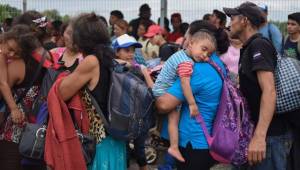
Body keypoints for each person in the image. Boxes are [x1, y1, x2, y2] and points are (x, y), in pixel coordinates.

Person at [224, 2, 292, 170]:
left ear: (244, 21)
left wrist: (260, 136)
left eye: (232, 18)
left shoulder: (258, 45)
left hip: (270, 137)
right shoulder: (248, 47)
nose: (229, 23)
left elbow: (269, 91)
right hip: (258, 134)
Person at [58, 13, 126, 170]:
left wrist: (61, 75)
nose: (69, 36)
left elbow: (62, 92)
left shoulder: (91, 61)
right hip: (113, 139)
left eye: (73, 32)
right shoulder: (107, 56)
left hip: (98, 142)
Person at [152, 30, 217, 162]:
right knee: (173, 120)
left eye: (209, 54)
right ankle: (174, 147)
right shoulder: (186, 63)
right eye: (203, 49)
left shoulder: (181, 55)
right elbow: (185, 83)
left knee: (171, 120)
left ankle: (166, 141)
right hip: (163, 92)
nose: (205, 56)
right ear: (191, 43)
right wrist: (192, 104)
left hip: (160, 88)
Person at [0, 24, 47, 170]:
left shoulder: (10, 60)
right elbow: (2, 83)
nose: (12, 54)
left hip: (14, 131)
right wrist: (14, 108)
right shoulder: (47, 56)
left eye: (17, 52)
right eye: (11, 49)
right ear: (5, 38)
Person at [112, 34, 153, 170]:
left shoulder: (138, 68)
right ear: (116, 51)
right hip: (121, 114)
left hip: (139, 114)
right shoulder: (113, 67)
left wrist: (145, 73)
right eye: (126, 50)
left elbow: (152, 91)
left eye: (132, 50)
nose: (131, 54)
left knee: (140, 146)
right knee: (124, 147)